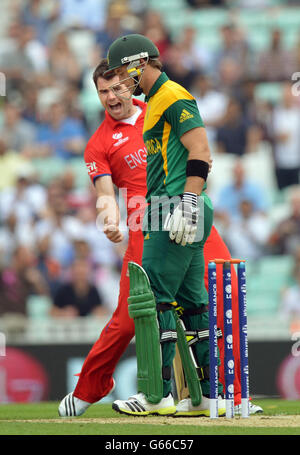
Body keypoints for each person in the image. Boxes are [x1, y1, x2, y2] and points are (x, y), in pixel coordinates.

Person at [58, 57, 263, 417]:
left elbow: (197, 149)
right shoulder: (99, 143)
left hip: (188, 213)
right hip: (146, 228)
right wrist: (109, 218)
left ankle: (230, 394)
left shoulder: (160, 105)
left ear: (131, 82)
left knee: (222, 289)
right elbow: (105, 193)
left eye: (117, 87)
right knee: (127, 319)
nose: (111, 96)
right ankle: (90, 389)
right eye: (103, 91)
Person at [105, 34, 222, 417]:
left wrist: (188, 200)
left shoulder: (171, 95)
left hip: (175, 206)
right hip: (176, 207)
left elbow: (201, 150)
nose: (121, 82)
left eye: (123, 72)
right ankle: (207, 395)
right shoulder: (155, 101)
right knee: (194, 305)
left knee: (151, 300)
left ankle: (157, 394)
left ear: (141, 63)